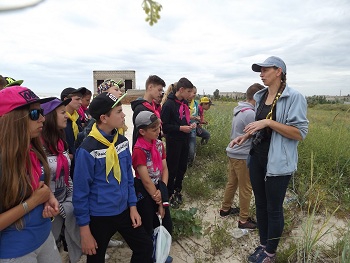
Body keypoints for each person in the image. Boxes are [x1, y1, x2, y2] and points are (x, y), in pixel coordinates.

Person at [231, 56, 308, 262]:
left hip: (278, 162)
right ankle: (264, 245)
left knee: (274, 208)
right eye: (260, 70)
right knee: (261, 205)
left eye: (265, 70)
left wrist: (269, 122)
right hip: (257, 158)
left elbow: (299, 133)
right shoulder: (261, 96)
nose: (261, 74)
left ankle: (270, 254)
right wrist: (245, 136)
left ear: (279, 71)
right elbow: (259, 127)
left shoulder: (294, 97)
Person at [72, 92, 152, 263]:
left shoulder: (122, 141)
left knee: (145, 246)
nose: (123, 115)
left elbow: (128, 178)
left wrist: (132, 206)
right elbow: (80, 193)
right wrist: (84, 230)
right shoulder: (87, 150)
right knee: (95, 258)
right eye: (118, 111)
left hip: (124, 210)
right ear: (104, 118)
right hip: (99, 216)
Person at [0, 86, 61, 262]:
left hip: (43, 237)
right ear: (13, 119)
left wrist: (49, 196)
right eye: (34, 114)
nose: (43, 118)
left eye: (41, 112)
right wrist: (34, 201)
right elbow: (34, 197)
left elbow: (38, 186)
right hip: (16, 251)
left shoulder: (32, 150)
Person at [41, 98, 82, 263]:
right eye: (62, 112)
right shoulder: (37, 146)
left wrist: (69, 200)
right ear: (50, 116)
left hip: (63, 203)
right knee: (49, 248)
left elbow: (67, 175)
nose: (67, 116)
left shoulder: (60, 143)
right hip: (46, 209)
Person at [219, 83, 264, 231]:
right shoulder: (250, 114)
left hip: (233, 152)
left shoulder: (240, 110)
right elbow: (257, 134)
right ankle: (243, 220)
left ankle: (225, 209)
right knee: (246, 188)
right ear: (257, 98)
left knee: (232, 183)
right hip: (242, 155)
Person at [132, 111, 173, 263]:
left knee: (165, 222)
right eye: (154, 129)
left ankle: (160, 252)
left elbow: (165, 169)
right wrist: (157, 199)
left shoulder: (159, 144)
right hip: (145, 189)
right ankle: (151, 256)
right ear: (142, 131)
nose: (158, 131)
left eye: (158, 128)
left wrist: (162, 192)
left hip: (160, 187)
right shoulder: (138, 150)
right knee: (149, 224)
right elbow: (145, 179)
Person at [161, 77, 195, 208]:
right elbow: (165, 127)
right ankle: (168, 193)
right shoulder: (168, 105)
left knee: (182, 167)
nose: (190, 95)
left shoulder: (184, 104)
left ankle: (177, 190)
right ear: (181, 90)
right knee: (172, 168)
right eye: (188, 91)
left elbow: (184, 120)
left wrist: (189, 126)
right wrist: (180, 128)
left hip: (184, 139)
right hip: (174, 141)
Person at [131, 75, 166, 147]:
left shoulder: (154, 107)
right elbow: (140, 134)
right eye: (159, 90)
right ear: (150, 87)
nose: (160, 93)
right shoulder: (140, 108)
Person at [60, 87, 87, 179]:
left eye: (81, 99)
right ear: (66, 100)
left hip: (78, 161)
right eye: (77, 99)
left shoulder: (77, 118)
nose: (80, 102)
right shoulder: (59, 120)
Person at [187, 86, 200, 166]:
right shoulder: (183, 102)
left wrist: (197, 120)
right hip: (184, 129)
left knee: (191, 150)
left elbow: (197, 114)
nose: (195, 94)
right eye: (193, 93)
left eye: (195, 93)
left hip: (193, 130)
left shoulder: (195, 103)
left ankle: (190, 163)